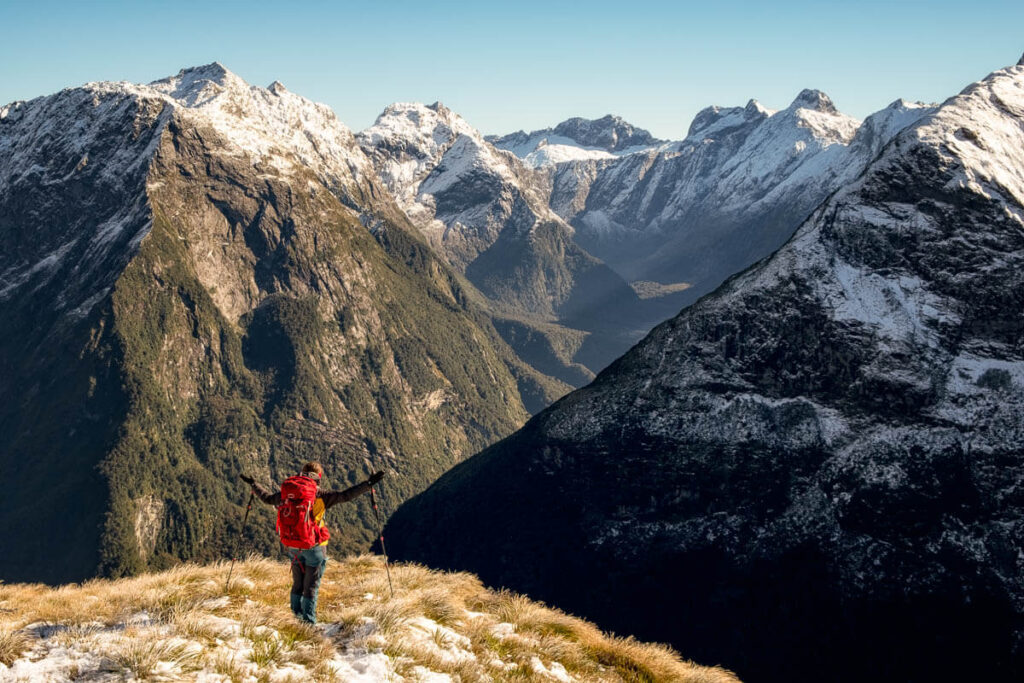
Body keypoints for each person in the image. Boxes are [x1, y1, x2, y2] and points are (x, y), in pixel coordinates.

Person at [240, 463, 385, 624]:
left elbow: (267, 498)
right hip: (314, 547)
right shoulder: (320, 494)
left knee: (297, 584)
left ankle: (295, 619)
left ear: (301, 473)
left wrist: (254, 484)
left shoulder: (288, 493)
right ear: (318, 478)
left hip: (293, 545)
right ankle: (308, 623)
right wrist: (368, 484)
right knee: (310, 587)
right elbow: (346, 495)